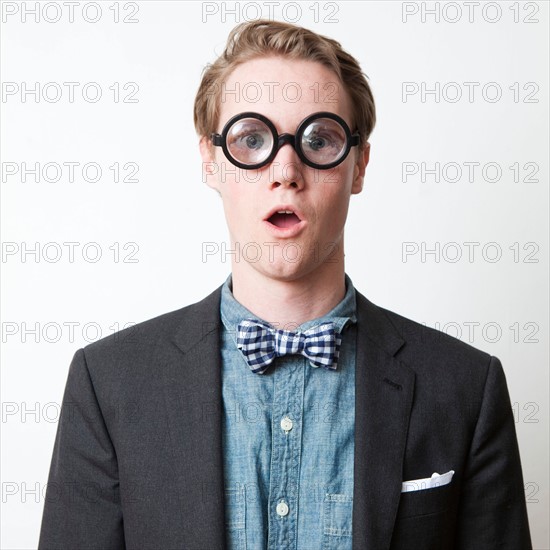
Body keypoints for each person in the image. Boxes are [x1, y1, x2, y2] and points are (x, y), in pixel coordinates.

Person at [38, 19, 532, 550]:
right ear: (210, 161)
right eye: (252, 139)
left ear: (359, 166)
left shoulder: (464, 387)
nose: (285, 169)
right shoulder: (108, 383)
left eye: (319, 139)